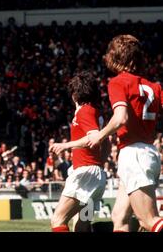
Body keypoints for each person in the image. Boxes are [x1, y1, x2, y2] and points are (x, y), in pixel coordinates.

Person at [86, 35, 163, 232]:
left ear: (116, 57)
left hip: (134, 154)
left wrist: (99, 135)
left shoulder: (118, 82)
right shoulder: (155, 87)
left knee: (150, 221)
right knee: (119, 218)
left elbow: (121, 118)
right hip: (148, 152)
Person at [49, 71, 107, 232]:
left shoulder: (85, 111)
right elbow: (106, 143)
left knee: (58, 219)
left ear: (75, 93)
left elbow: (94, 136)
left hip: (85, 174)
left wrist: (66, 145)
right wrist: (99, 165)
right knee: (82, 225)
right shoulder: (97, 112)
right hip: (95, 174)